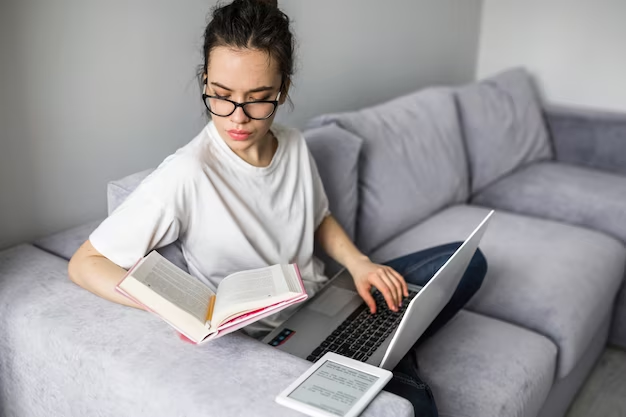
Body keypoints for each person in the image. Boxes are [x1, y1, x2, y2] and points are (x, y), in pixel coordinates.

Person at [68, 0, 487, 414]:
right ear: (206, 81)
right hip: (282, 342)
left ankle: (383, 346)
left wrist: (360, 265)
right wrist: (173, 309)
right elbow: (85, 263)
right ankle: (391, 356)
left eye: (258, 99)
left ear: (282, 89)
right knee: (413, 402)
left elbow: (319, 217)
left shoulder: (295, 145)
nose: (237, 117)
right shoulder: (186, 174)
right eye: (220, 95)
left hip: (332, 298)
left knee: (469, 261)